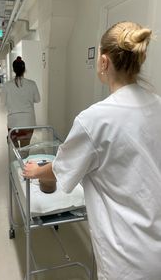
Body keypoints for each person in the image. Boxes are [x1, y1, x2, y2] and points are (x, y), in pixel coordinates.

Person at [23, 22, 161, 280]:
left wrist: (35, 170)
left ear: (104, 62)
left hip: (127, 259)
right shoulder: (157, 105)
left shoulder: (94, 120)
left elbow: (59, 170)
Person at [1, 56, 40, 148]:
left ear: (13, 69)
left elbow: (2, 102)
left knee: (15, 150)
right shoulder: (32, 84)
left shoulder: (7, 85)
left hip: (13, 121)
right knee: (25, 148)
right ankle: (24, 161)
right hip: (28, 121)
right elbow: (37, 99)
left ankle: (16, 161)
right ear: (24, 69)